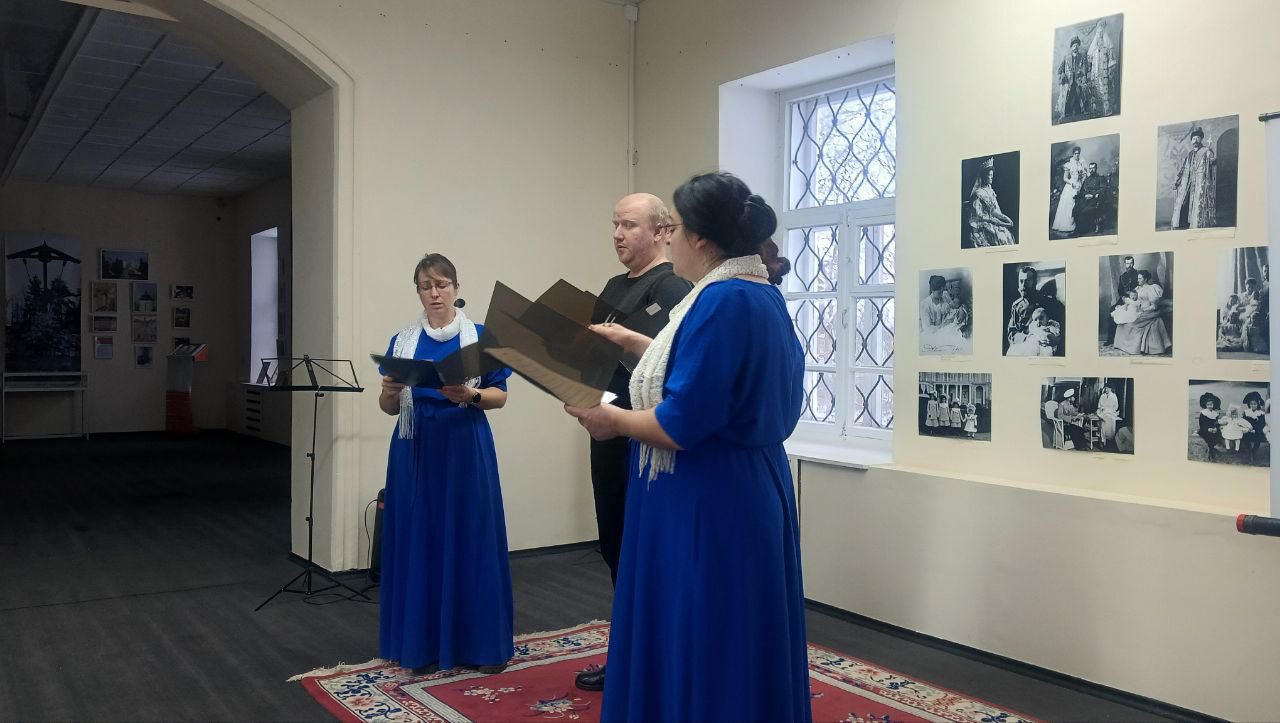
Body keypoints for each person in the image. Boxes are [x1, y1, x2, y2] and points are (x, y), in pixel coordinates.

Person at [565, 171, 810, 721]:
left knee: (705, 626)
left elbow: (682, 422)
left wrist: (613, 420)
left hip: (708, 493)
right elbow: (707, 375)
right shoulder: (755, 292)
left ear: (699, 237)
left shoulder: (721, 300)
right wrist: (636, 342)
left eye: (673, 228)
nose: (669, 239)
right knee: (732, 630)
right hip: (745, 482)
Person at [576, 193, 692, 693]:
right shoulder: (611, 286)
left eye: (629, 225)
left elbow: (673, 370)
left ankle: (654, 660)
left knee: (645, 552)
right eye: (615, 224)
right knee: (615, 545)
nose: (618, 234)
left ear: (662, 231)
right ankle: (630, 653)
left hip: (648, 441)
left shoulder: (674, 288)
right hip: (607, 431)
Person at [377, 253, 514, 676]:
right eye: (426, 286)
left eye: (442, 284)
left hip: (464, 445)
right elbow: (388, 408)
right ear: (418, 292)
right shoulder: (403, 341)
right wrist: (388, 391)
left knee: (470, 535)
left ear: (456, 287)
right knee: (418, 536)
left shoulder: (480, 337)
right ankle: (419, 645)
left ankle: (480, 644)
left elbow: (500, 396)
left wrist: (471, 395)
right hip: (414, 447)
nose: (434, 293)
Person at [1112, 270, 1171, 356]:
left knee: (1132, 324)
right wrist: (1126, 305)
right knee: (1123, 323)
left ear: (1145, 279)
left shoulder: (1152, 288)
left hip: (1149, 312)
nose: (1138, 280)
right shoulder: (1137, 288)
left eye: (1140, 278)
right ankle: (1124, 346)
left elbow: (1155, 306)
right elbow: (1133, 300)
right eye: (1138, 278)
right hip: (1138, 310)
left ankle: (1135, 348)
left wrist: (1144, 310)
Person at [1170, 126, 1217, 230]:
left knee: (1197, 203)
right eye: (1193, 139)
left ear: (1201, 139)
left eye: (1197, 138)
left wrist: (1212, 159)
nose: (1195, 140)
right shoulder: (1190, 154)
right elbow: (1183, 169)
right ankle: (1183, 224)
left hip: (1200, 182)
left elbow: (1211, 162)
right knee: (1184, 202)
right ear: (1191, 141)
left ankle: (1196, 223)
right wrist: (1177, 182)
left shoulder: (1205, 151)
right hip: (1188, 182)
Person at [967, 157, 1016, 247]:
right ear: (984, 176)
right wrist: (992, 221)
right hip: (983, 224)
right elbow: (977, 215)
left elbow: (993, 210)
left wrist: (1004, 217)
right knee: (1000, 237)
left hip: (993, 221)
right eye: (989, 175)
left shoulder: (991, 191)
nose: (992, 177)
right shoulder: (978, 194)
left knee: (1007, 234)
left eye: (992, 175)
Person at [1051, 146, 1086, 234]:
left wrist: (1082, 181)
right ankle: (1067, 225)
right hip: (1071, 186)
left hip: (1079, 185)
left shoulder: (1081, 163)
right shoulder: (1069, 164)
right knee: (1069, 205)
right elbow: (1065, 178)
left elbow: (1084, 174)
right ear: (1073, 154)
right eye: (1075, 153)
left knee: (1078, 204)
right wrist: (1072, 183)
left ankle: (1077, 224)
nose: (1077, 155)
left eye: (1078, 153)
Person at [1056, 35, 1090, 120]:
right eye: (1074, 45)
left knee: (1080, 93)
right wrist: (1062, 74)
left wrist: (1084, 76)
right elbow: (1060, 69)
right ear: (1071, 47)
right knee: (1069, 95)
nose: (1076, 47)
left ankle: (1082, 110)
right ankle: (1066, 112)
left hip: (1078, 79)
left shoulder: (1082, 56)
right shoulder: (1066, 57)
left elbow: (1085, 68)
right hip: (1069, 80)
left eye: (1077, 45)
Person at [1087, 19, 1116, 116]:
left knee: (1105, 90)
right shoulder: (1094, 48)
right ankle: (1097, 111)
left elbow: (1111, 59)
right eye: (1098, 33)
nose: (1100, 35)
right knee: (1096, 89)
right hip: (1095, 72)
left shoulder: (1107, 47)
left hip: (1104, 72)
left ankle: (1106, 110)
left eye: (1101, 33)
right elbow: (1090, 59)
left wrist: (1110, 69)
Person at [1073, 162, 1109, 235]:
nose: (1091, 170)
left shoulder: (1100, 178)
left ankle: (1080, 231)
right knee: (1075, 210)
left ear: (1096, 168)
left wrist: (1092, 195)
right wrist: (1085, 195)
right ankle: (1078, 229)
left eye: (1093, 168)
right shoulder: (1087, 179)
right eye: (1090, 168)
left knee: (1084, 212)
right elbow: (1082, 191)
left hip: (1095, 201)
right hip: (1085, 200)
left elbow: (1103, 190)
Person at [1197, 392, 1224, 462]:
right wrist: (1208, 429)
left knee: (1217, 434)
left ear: (1213, 405)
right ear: (1206, 405)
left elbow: (1216, 423)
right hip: (1205, 429)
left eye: (1211, 404)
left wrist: (1216, 428)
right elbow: (1201, 424)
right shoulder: (1203, 413)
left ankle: (1212, 449)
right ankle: (1211, 451)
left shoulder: (1215, 413)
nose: (1209, 406)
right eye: (1208, 405)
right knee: (1209, 436)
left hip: (1213, 429)